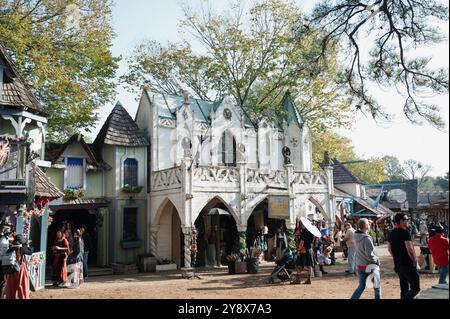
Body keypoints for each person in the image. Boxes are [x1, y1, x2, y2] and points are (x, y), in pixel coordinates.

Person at [387, 213, 421, 299]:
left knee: (404, 289)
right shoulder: (405, 232)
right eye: (406, 219)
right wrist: (414, 260)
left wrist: (396, 257)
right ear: (401, 221)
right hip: (408, 264)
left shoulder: (391, 232)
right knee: (415, 288)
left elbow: (389, 249)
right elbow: (409, 249)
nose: (408, 221)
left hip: (398, 265)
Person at [350, 218, 381, 299]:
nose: (370, 225)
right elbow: (370, 255)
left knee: (361, 286)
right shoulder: (366, 238)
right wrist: (376, 261)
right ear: (366, 226)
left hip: (360, 265)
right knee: (377, 286)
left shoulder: (356, 236)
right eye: (369, 224)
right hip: (370, 265)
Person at [4, 235, 32, 299]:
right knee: (22, 287)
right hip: (20, 269)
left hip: (11, 270)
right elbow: (30, 252)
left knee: (11, 289)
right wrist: (27, 244)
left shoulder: (10, 248)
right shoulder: (22, 249)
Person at [292, 221, 314, 285]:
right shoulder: (311, 231)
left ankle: (297, 279)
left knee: (300, 265)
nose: (301, 225)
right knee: (309, 265)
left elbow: (302, 242)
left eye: (301, 224)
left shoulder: (304, 231)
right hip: (310, 249)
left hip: (304, 250)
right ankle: (309, 279)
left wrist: (299, 249)